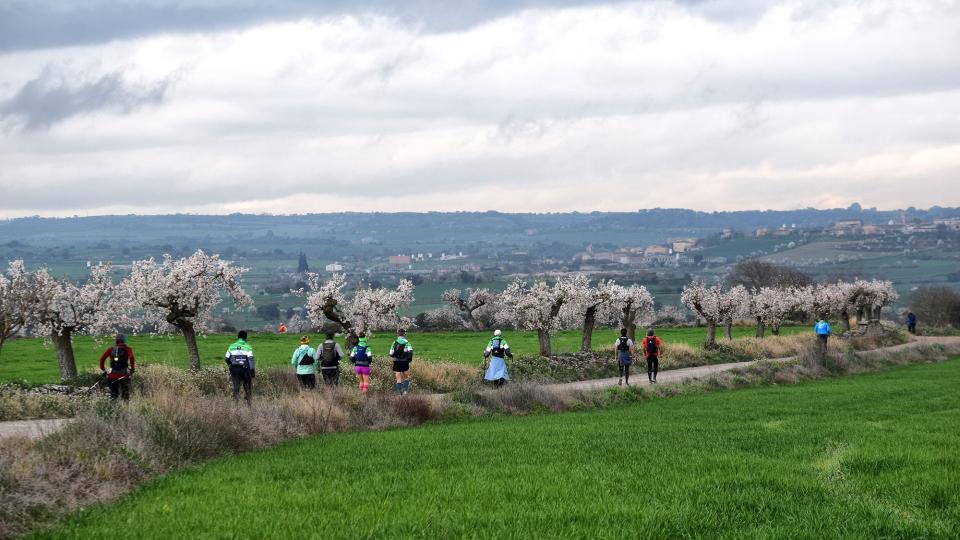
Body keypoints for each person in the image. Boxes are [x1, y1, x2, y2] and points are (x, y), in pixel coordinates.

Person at [98, 334, 135, 401]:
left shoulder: (111, 349)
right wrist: (132, 369)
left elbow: (101, 359)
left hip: (112, 375)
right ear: (124, 340)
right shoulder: (127, 348)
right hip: (124, 375)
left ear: (116, 340)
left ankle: (114, 409)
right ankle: (126, 409)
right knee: (125, 395)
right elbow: (131, 357)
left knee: (114, 395)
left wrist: (103, 369)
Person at [225, 330, 255, 404]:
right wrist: (252, 370)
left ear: (238, 337)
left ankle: (235, 404)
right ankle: (248, 403)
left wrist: (230, 365)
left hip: (234, 369)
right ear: (246, 337)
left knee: (236, 386)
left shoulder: (232, 346)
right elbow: (250, 359)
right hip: (244, 369)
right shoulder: (247, 346)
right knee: (247, 386)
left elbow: (226, 358)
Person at [390, 329, 414, 395]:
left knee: (398, 378)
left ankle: (398, 393)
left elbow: (391, 353)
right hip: (404, 362)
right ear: (404, 334)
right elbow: (410, 352)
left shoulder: (394, 342)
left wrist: (395, 356)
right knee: (406, 377)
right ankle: (405, 392)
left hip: (396, 361)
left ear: (398, 334)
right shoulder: (407, 343)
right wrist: (408, 360)